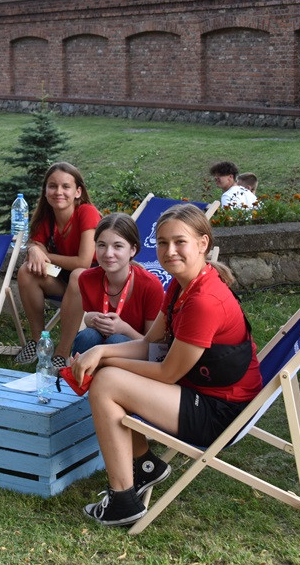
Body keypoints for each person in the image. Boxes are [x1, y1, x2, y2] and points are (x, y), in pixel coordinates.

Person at [70, 203, 262, 527]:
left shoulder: (204, 301)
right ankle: (145, 465)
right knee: (107, 375)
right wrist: (101, 353)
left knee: (106, 383)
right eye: (162, 242)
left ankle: (123, 500)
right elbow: (150, 344)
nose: (169, 250)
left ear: (203, 243)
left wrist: (103, 362)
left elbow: (166, 372)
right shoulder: (181, 284)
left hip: (220, 411)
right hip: (203, 390)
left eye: (179, 241)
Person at [14, 162, 100, 367]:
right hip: (65, 282)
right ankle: (38, 342)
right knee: (26, 272)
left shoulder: (86, 212)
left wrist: (45, 255)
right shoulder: (47, 218)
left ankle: (62, 353)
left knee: (79, 274)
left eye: (66, 186)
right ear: (45, 191)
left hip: (95, 285)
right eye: (52, 186)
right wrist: (34, 249)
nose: (58, 192)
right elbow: (34, 247)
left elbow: (84, 261)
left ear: (78, 191)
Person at [59, 213, 164, 359]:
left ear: (132, 250)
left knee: (117, 340)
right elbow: (94, 329)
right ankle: (80, 378)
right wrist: (89, 318)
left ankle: (105, 380)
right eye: (102, 245)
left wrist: (124, 329)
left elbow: (153, 346)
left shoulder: (150, 285)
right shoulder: (87, 279)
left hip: (137, 359)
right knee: (87, 336)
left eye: (118, 246)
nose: (108, 254)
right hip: (97, 350)